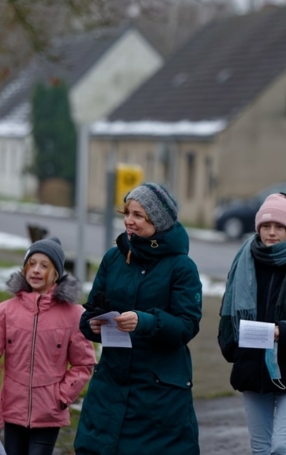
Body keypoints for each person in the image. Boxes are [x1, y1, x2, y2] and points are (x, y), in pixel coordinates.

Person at [73, 182, 203, 455]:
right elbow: (92, 309)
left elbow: (187, 325)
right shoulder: (113, 259)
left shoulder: (182, 267)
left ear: (158, 221)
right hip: (111, 384)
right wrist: (92, 324)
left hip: (159, 394)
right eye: (127, 213)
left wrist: (145, 321)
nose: (129, 221)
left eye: (138, 216)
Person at [218, 192, 286, 455]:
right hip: (253, 368)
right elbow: (228, 316)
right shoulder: (244, 262)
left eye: (279, 226)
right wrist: (235, 350)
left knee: (281, 447)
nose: (271, 232)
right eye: (266, 226)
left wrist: (282, 333)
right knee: (261, 449)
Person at [0, 236, 96, 455]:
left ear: (57, 274)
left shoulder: (73, 314)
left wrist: (61, 397)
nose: (36, 270)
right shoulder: (5, 311)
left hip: (49, 414)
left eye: (44, 265)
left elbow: (84, 363)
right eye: (31, 264)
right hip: (12, 410)